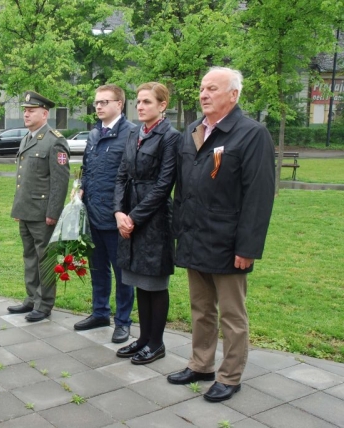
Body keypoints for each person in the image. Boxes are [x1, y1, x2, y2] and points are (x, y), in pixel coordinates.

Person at [167, 67, 275, 402]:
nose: (204, 94)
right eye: (202, 88)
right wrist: (179, 232)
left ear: (234, 95)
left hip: (229, 244)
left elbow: (259, 196)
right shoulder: (194, 131)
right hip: (195, 238)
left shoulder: (251, 134)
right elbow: (182, 189)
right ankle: (201, 364)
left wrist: (248, 246)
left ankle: (230, 375)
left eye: (212, 88)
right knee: (201, 309)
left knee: (232, 315)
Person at [113, 82, 180, 364]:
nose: (140, 107)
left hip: (153, 220)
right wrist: (119, 212)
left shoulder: (170, 137)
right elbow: (121, 176)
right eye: (138, 102)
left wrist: (135, 217)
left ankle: (156, 343)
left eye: (147, 102)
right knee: (139, 280)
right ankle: (142, 338)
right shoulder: (133, 133)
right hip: (128, 215)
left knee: (155, 282)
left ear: (162, 105)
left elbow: (165, 184)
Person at [73, 84, 137, 343]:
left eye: (104, 102)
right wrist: (79, 190)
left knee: (122, 273)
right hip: (93, 214)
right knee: (97, 268)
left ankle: (123, 321)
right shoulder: (93, 134)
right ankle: (100, 312)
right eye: (96, 102)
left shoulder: (131, 134)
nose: (98, 106)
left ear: (119, 104)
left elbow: (132, 177)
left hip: (117, 217)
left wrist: (124, 212)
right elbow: (87, 169)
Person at [8, 91, 70, 322]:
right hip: (26, 211)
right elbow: (23, 178)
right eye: (25, 110)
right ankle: (32, 298)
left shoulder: (55, 141)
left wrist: (53, 213)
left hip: (43, 213)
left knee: (44, 259)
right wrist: (19, 209)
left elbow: (60, 181)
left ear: (44, 114)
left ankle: (44, 304)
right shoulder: (27, 138)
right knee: (29, 257)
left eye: (31, 110)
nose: (26, 113)